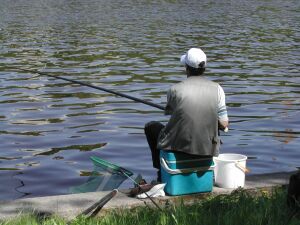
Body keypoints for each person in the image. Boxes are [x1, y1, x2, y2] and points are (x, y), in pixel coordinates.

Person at [144, 48, 229, 181]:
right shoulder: (218, 89)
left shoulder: (174, 90)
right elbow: (224, 124)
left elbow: (172, 113)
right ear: (204, 68)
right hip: (207, 148)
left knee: (151, 127)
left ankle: (161, 172)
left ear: (186, 68)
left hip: (179, 147)